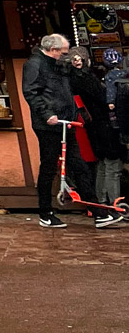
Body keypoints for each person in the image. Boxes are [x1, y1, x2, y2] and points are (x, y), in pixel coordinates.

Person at [23, 32, 116, 228]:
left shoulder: (59, 65)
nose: (66, 56)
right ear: (53, 50)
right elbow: (31, 92)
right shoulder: (35, 64)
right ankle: (45, 212)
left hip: (67, 121)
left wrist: (79, 68)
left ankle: (97, 211)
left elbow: (72, 86)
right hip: (48, 125)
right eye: (64, 53)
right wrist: (47, 114)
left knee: (79, 165)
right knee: (49, 167)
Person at [66, 48, 125, 218]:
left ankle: (100, 203)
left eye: (80, 58)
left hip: (93, 127)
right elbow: (104, 100)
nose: (78, 61)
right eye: (75, 59)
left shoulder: (72, 79)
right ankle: (115, 204)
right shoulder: (86, 78)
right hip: (104, 125)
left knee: (103, 163)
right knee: (112, 164)